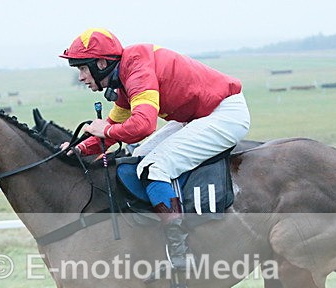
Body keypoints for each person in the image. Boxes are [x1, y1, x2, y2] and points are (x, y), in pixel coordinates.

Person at [60, 28, 250, 271]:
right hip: (200, 115)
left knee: (153, 166)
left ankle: (180, 250)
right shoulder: (125, 76)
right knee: (137, 158)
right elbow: (114, 125)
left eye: (83, 68)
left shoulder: (136, 71)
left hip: (224, 115)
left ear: (101, 63)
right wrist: (77, 149)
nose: (81, 77)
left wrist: (105, 132)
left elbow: (143, 126)